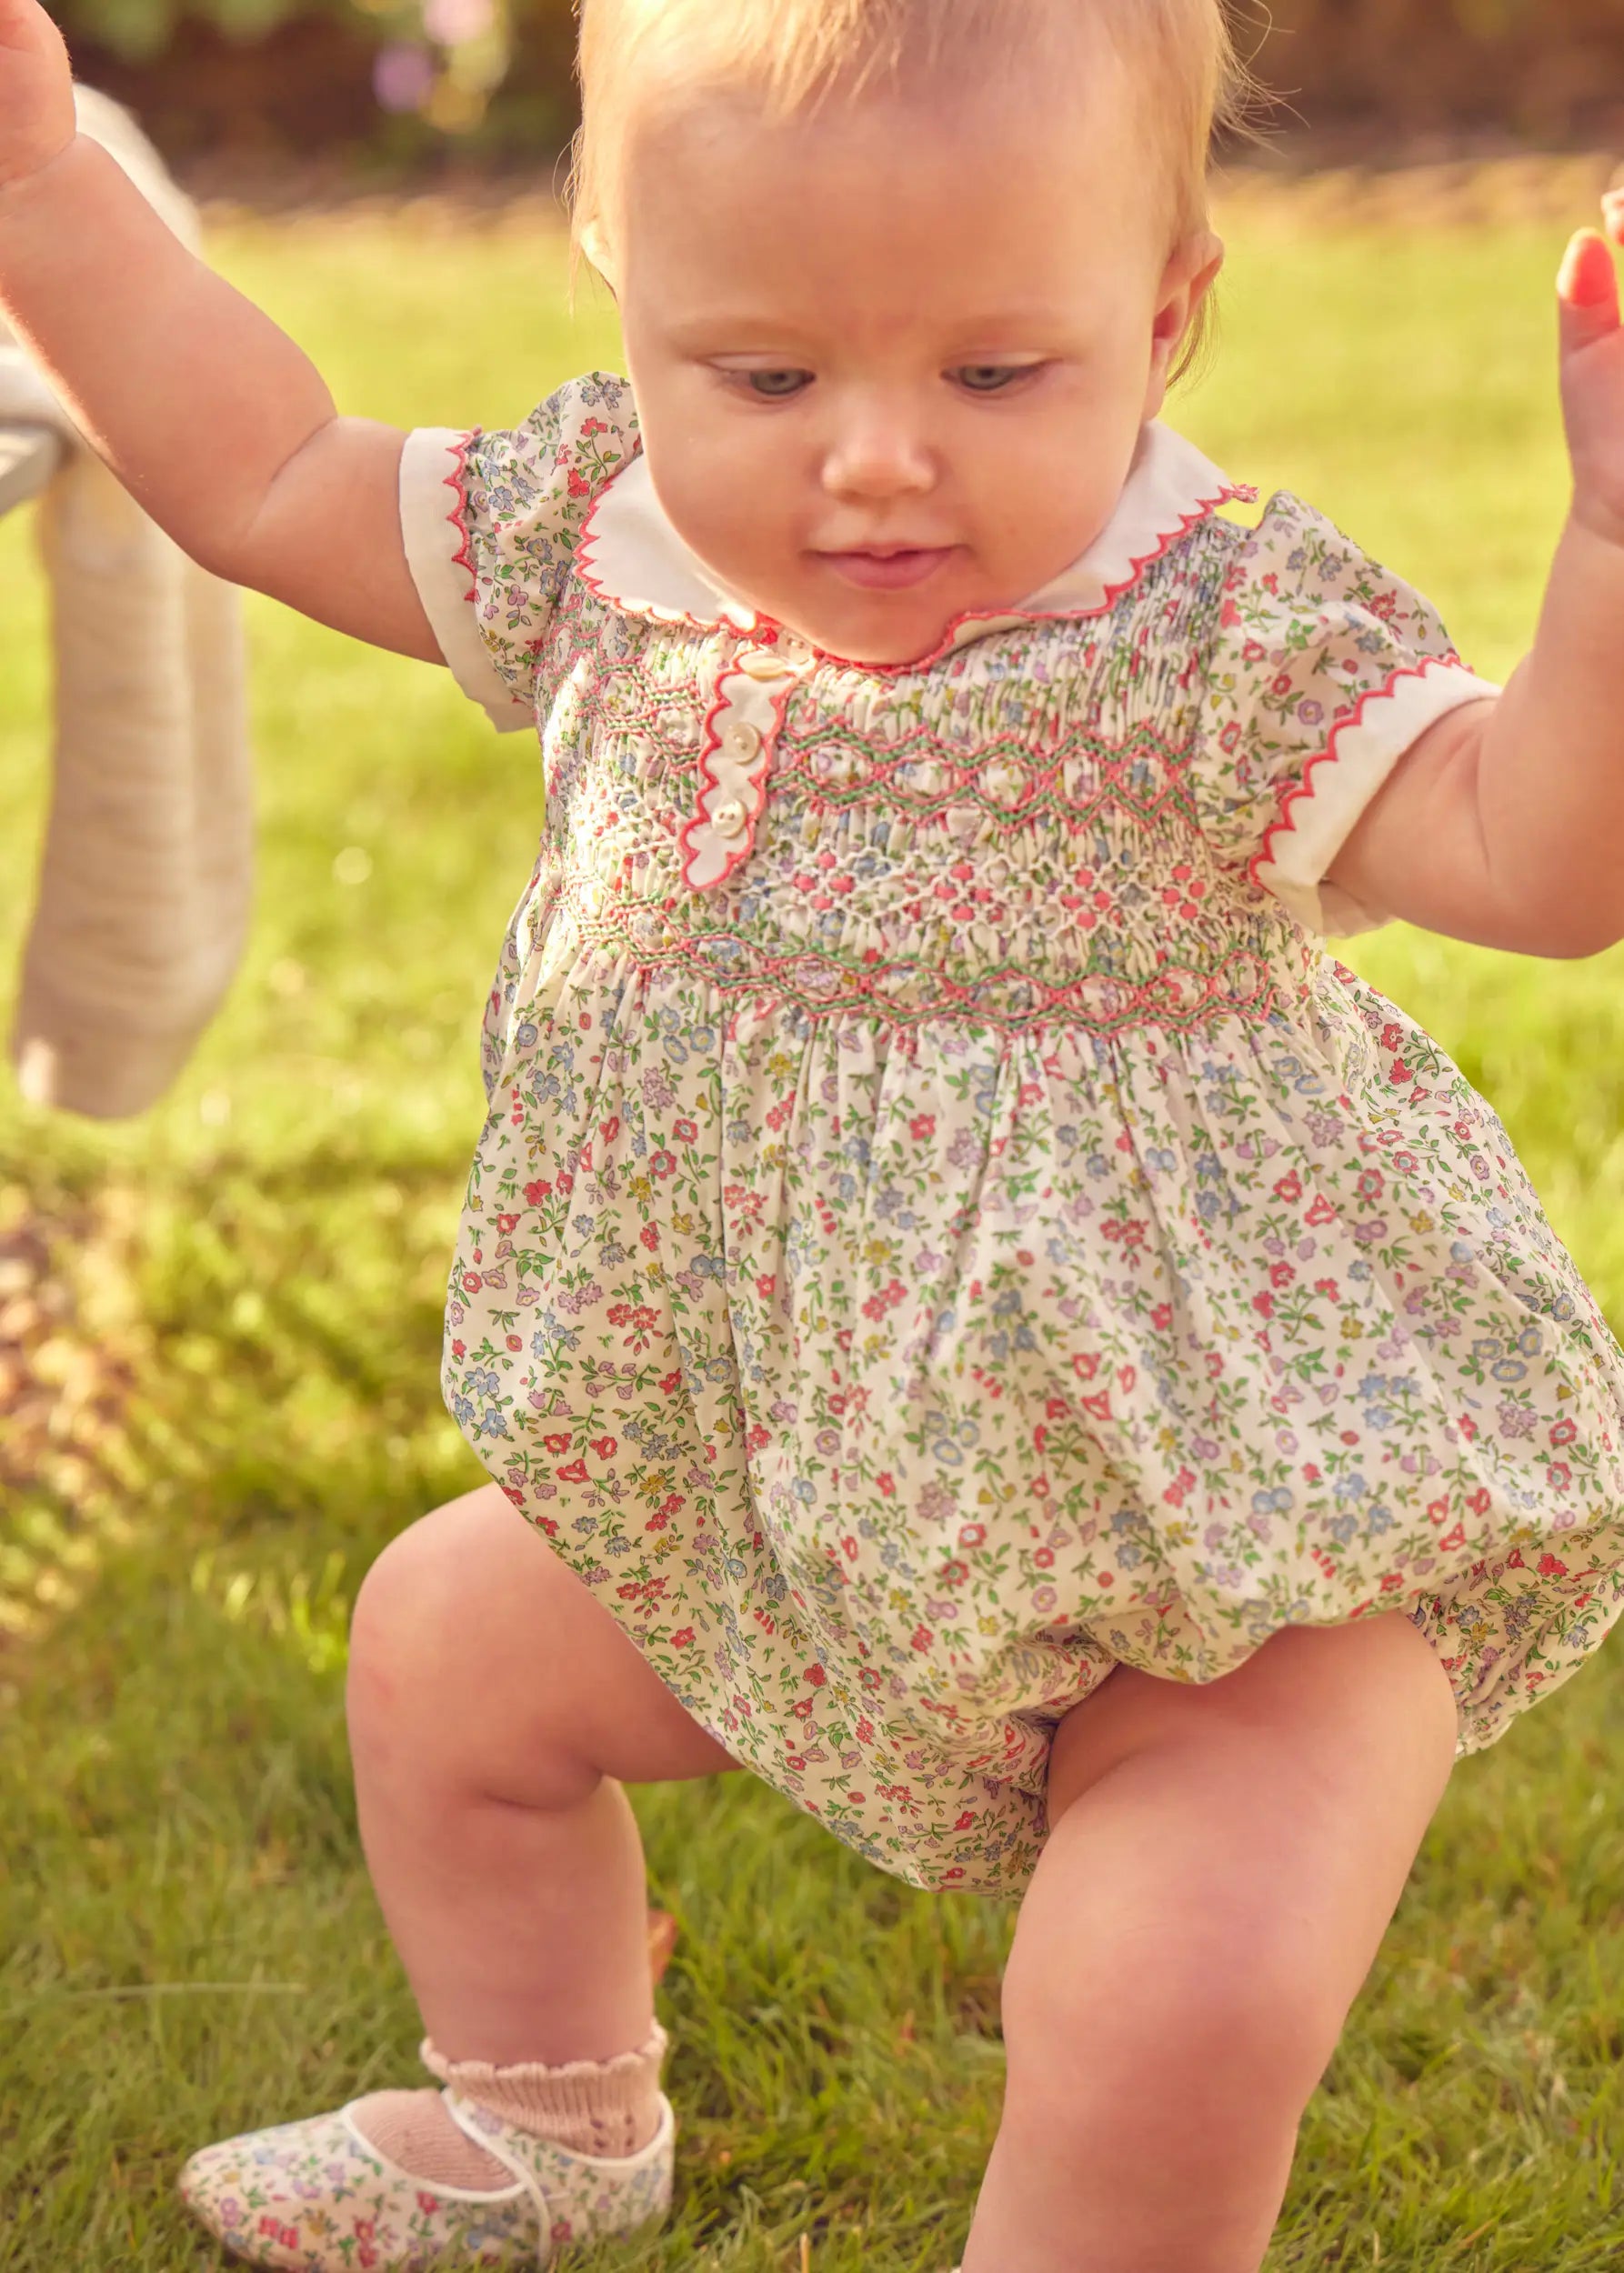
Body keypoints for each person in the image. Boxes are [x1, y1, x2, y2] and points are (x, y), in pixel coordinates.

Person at [5, 0, 1623, 2266]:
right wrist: (49, 198)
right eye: (765, 376)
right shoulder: (597, 536)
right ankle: (552, 2118)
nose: (871, 460)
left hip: (1228, 1541)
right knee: (440, 1653)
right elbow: (267, 473)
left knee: (1167, 1984)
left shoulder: (1217, 628)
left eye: (991, 374)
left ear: (1158, 315)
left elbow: (1542, 861)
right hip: (787, 1482)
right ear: (617, 279)